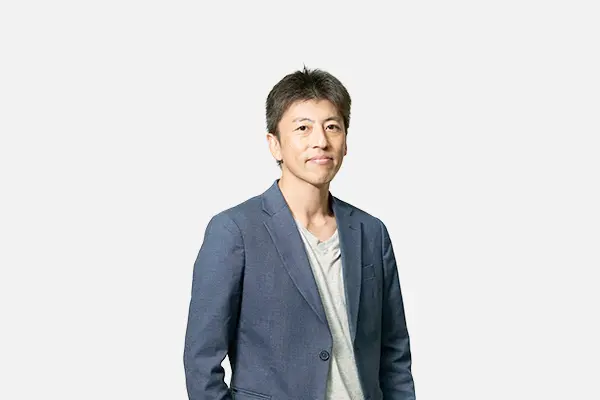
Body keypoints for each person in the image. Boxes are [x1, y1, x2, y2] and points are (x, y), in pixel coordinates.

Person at [183, 67, 416, 400]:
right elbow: (201, 361)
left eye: (332, 126)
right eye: (303, 128)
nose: (320, 141)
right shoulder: (235, 231)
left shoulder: (371, 232)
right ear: (275, 145)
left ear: (346, 142)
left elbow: (394, 355)